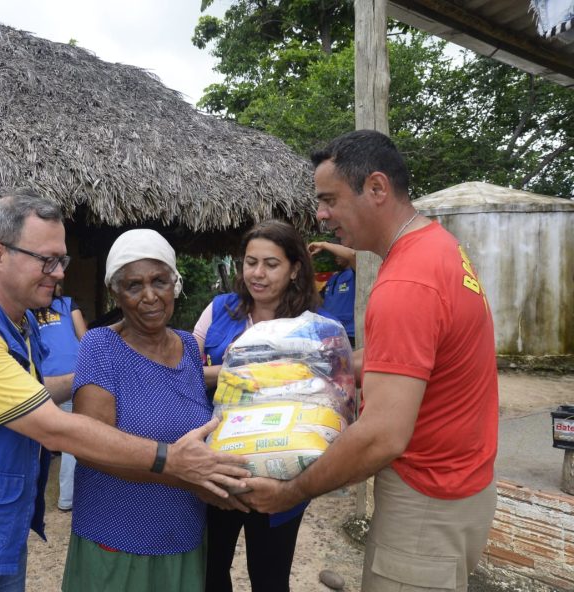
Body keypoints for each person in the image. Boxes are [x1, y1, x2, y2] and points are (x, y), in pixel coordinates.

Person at [0, 191, 249, 592]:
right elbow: (54, 428)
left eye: (62, 260)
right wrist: (172, 461)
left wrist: (106, 377)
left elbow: (22, 390)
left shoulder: (17, 324)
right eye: (47, 260)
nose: (59, 272)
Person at [239, 130, 498, 592]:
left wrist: (289, 493)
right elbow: (402, 359)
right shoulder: (439, 247)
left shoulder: (406, 285)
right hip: (461, 489)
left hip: (425, 504)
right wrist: (310, 365)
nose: (320, 215)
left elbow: (381, 436)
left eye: (328, 199)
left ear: (376, 189)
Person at [62, 229, 247, 592]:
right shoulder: (101, 348)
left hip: (182, 536)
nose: (150, 296)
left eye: (159, 281)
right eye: (133, 285)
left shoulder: (189, 349)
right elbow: (90, 449)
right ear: (116, 292)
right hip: (116, 540)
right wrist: (188, 476)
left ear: (174, 284)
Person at [192, 219, 320, 592]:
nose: (257, 274)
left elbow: (327, 393)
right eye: (250, 262)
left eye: (271, 264)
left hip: (280, 473)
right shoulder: (220, 311)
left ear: (295, 269)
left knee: (269, 577)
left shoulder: (312, 325)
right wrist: (232, 368)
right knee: (209, 573)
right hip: (219, 469)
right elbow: (184, 375)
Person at [33, 283, 87, 512]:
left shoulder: (67, 303)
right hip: (46, 383)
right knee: (58, 440)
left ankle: (66, 499)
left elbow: (84, 338)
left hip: (72, 380)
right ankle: (58, 499)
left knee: (69, 440)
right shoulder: (26, 310)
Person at [308, 240, 357, 346]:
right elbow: (319, 301)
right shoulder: (334, 278)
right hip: (329, 334)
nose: (336, 256)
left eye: (339, 253)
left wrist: (323, 244)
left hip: (349, 334)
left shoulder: (355, 274)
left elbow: (353, 255)